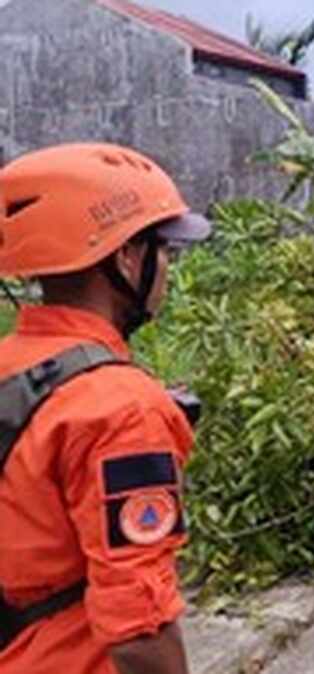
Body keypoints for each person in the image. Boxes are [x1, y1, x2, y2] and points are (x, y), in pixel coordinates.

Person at [0, 143, 211, 674]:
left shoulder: (12, 367)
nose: (166, 268)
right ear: (126, 256)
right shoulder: (122, 410)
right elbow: (140, 631)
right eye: (163, 249)